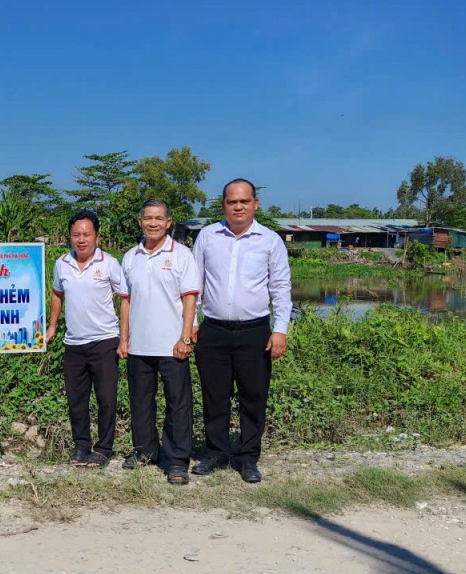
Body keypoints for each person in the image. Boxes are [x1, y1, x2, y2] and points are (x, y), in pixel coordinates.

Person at [190, 179, 292, 483]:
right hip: (213, 330)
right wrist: (191, 322)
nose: (238, 207)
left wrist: (280, 329)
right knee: (214, 396)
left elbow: (281, 288)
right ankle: (216, 451)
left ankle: (248, 457)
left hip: (255, 332)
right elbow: (194, 284)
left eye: (244, 201)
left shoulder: (270, 241)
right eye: (232, 202)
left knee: (253, 396)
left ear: (255, 204)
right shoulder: (207, 236)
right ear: (223, 205)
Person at [119, 199, 201, 485]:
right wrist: (124, 339)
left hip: (172, 344)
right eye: (147, 218)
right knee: (141, 402)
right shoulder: (130, 257)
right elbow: (126, 302)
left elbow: (190, 298)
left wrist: (185, 337)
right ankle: (145, 451)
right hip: (139, 344)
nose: (152, 223)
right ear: (140, 222)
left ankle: (177, 460)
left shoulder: (182, 255)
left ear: (168, 223)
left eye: (158, 218)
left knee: (177, 403)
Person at [46, 210, 129, 468]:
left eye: (86, 234)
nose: (81, 240)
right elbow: (57, 294)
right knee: (76, 399)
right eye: (76, 235)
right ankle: (81, 446)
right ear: (69, 237)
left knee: (106, 398)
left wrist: (124, 338)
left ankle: (103, 449)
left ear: (97, 236)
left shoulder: (109, 263)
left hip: (104, 340)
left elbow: (125, 298)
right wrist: (52, 326)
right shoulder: (62, 263)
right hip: (74, 342)